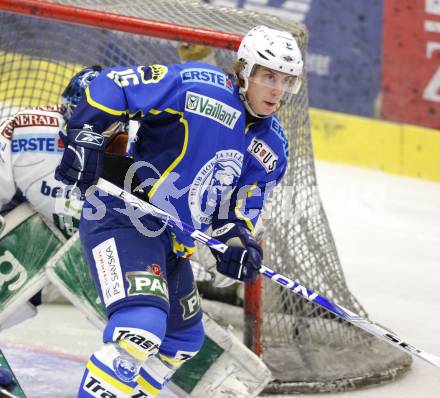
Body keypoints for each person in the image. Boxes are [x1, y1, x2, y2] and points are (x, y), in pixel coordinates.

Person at [55, 25, 303, 397]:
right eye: (268, 76)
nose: (277, 90)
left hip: (172, 243)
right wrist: (86, 132)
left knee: (182, 341)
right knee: (138, 330)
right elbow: (114, 84)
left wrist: (236, 241)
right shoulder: (197, 85)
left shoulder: (273, 149)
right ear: (244, 70)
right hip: (124, 215)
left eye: (286, 81)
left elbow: (235, 210)